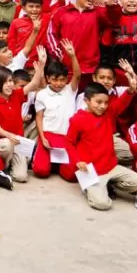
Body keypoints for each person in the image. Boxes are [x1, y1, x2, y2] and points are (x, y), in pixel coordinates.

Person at [65, 64, 137, 211]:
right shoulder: (78, 119)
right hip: (92, 170)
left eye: (106, 102)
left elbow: (122, 103)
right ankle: (92, 187)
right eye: (98, 102)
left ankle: (110, 184)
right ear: (87, 101)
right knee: (103, 204)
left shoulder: (109, 113)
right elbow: (69, 143)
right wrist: (78, 162)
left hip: (111, 166)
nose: (102, 106)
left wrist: (130, 90)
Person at [0, 50, 46, 183]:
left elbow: (34, 84)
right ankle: (3, 166)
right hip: (4, 141)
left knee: (21, 177)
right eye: (6, 82)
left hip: (19, 141)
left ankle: (16, 163)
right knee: (6, 146)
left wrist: (41, 65)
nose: (10, 85)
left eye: (10, 81)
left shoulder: (16, 95)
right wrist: (9, 136)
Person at [32, 40, 81, 180]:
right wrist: (42, 138)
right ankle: (47, 161)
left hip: (67, 137)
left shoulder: (69, 90)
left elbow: (77, 75)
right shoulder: (41, 94)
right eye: (55, 80)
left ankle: (57, 164)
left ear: (66, 79)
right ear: (47, 79)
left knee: (72, 176)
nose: (59, 83)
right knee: (40, 171)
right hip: (48, 136)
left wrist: (72, 55)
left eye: (62, 80)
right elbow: (39, 117)